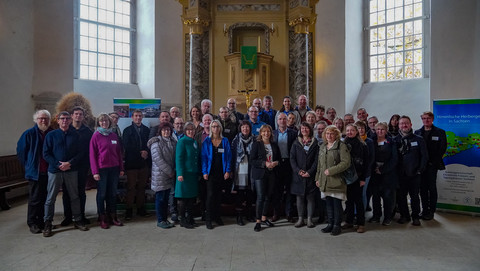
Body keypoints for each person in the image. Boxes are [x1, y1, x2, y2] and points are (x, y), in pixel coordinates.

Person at [42, 112, 88, 237]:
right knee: (50, 198)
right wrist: (58, 164)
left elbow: (81, 152)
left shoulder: (76, 135)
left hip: (71, 170)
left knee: (74, 196)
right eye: (62, 119)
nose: (65, 121)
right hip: (55, 171)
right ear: (58, 120)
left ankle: (78, 220)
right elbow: (46, 153)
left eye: (67, 119)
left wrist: (70, 163)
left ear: (70, 120)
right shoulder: (51, 135)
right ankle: (47, 223)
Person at [16, 109, 53, 234]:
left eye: (46, 118)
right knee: (34, 199)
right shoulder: (29, 134)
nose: (43, 120)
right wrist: (29, 166)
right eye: (41, 118)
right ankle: (32, 222)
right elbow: (21, 152)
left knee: (45, 198)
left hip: (49, 172)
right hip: (35, 172)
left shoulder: (51, 133)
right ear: (36, 120)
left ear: (49, 120)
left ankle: (41, 220)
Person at [89, 113, 124, 229]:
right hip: (101, 169)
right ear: (99, 123)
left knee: (112, 194)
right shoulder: (96, 136)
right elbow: (92, 155)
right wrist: (95, 172)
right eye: (102, 121)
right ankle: (102, 217)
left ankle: (112, 216)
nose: (104, 123)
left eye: (106, 121)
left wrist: (121, 168)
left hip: (114, 168)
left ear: (110, 122)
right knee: (102, 194)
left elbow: (119, 153)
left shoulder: (113, 135)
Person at [315, 125, 351, 236]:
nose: (329, 135)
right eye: (327, 133)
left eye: (331, 133)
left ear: (336, 135)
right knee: (328, 203)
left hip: (336, 180)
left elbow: (346, 163)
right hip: (324, 180)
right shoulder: (323, 146)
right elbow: (319, 165)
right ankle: (330, 223)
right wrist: (317, 178)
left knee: (336, 203)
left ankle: (337, 225)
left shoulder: (341, 146)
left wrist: (331, 170)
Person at [394, 116, 428, 226]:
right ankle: (405, 216)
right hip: (400, 174)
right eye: (402, 123)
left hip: (415, 174)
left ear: (411, 124)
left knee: (414, 196)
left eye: (406, 123)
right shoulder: (395, 140)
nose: (404, 125)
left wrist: (420, 170)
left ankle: (415, 216)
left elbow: (424, 156)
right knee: (401, 197)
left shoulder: (419, 139)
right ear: (398, 126)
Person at [61, 106, 93, 226]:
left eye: (80, 114)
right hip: (68, 166)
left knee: (80, 191)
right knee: (67, 192)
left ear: (83, 116)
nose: (78, 116)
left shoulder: (88, 132)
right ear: (72, 116)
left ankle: (81, 215)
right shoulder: (66, 129)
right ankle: (68, 216)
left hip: (82, 166)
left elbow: (89, 150)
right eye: (76, 114)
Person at [414, 111, 447, 221]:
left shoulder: (440, 132)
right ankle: (424, 210)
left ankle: (431, 211)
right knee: (422, 188)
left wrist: (432, 162)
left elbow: (442, 149)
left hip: (433, 165)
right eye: (423, 118)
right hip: (421, 166)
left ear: (432, 119)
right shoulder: (417, 132)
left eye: (428, 118)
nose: (426, 120)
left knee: (431, 188)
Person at [201, 120, 232, 229]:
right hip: (210, 174)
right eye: (213, 126)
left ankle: (217, 217)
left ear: (220, 128)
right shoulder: (207, 141)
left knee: (218, 196)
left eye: (217, 126)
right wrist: (204, 172)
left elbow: (228, 157)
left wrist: (227, 171)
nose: (215, 128)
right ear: (210, 128)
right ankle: (208, 219)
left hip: (221, 173)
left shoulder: (225, 141)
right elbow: (204, 158)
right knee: (210, 196)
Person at [250, 125, 280, 232]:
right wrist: (264, 163)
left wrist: (276, 163)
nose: (266, 133)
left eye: (268, 131)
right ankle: (258, 221)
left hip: (271, 174)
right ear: (261, 133)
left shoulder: (274, 145)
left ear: (271, 133)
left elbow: (279, 159)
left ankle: (264, 217)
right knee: (261, 196)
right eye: (264, 131)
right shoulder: (256, 144)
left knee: (268, 196)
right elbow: (252, 160)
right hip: (260, 174)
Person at [122, 109, 151, 220]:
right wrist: (140, 153)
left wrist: (146, 152)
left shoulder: (147, 130)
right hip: (132, 164)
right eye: (136, 116)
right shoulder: (127, 130)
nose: (138, 118)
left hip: (144, 164)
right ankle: (128, 210)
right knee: (131, 188)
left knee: (142, 188)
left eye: (140, 116)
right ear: (132, 117)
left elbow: (149, 144)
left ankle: (140, 208)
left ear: (142, 117)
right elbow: (127, 146)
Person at [290, 122, 319, 228]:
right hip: (298, 175)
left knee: (310, 198)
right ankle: (300, 219)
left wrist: (310, 172)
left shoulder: (315, 143)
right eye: (302, 128)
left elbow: (317, 160)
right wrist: (298, 171)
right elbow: (292, 158)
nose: (304, 130)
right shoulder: (296, 143)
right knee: (299, 198)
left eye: (306, 128)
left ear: (310, 130)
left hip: (310, 175)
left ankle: (310, 219)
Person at [148, 122, 177, 229]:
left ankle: (165, 219)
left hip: (169, 176)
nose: (166, 132)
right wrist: (170, 171)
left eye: (168, 130)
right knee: (160, 199)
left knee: (166, 199)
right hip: (160, 176)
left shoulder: (173, 142)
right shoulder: (156, 143)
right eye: (164, 130)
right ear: (160, 131)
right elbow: (158, 160)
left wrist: (173, 171)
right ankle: (160, 220)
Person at [369, 122, 398, 226]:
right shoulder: (372, 141)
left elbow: (395, 159)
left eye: (382, 129)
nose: (379, 131)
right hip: (374, 173)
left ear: (386, 131)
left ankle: (387, 217)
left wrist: (383, 169)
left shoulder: (392, 142)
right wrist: (374, 169)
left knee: (387, 196)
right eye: (378, 129)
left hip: (388, 173)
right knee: (375, 196)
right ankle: (376, 216)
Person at [343, 124, 369, 233]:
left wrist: (363, 178)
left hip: (358, 176)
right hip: (346, 177)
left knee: (358, 201)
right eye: (348, 130)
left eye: (352, 130)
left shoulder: (362, 145)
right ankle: (349, 221)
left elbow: (366, 163)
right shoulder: (343, 144)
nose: (349, 132)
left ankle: (360, 223)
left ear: (356, 132)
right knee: (348, 200)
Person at [272, 112, 297, 222]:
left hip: (289, 164)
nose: (282, 121)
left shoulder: (293, 133)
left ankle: (289, 214)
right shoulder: (272, 134)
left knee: (289, 190)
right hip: (277, 164)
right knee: (277, 191)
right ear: (277, 121)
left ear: (287, 121)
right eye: (280, 119)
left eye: (284, 119)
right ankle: (276, 213)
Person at [175, 122, 201, 229]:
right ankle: (182, 219)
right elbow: (179, 158)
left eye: (193, 129)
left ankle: (190, 218)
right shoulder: (182, 141)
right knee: (183, 199)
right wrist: (180, 173)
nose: (191, 131)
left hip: (192, 174)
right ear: (185, 131)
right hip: (184, 174)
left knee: (191, 198)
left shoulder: (194, 141)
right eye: (189, 129)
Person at [231, 120, 255, 225]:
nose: (245, 129)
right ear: (240, 128)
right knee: (240, 194)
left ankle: (249, 215)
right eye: (243, 127)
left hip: (251, 169)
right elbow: (232, 156)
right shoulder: (236, 140)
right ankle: (239, 216)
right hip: (239, 169)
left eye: (247, 127)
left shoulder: (255, 139)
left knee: (250, 193)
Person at [355, 121, 375, 213]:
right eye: (358, 128)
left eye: (362, 128)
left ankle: (361, 214)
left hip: (365, 173)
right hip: (355, 172)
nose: (361, 130)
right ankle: (355, 213)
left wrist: (365, 170)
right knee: (354, 194)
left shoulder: (369, 141)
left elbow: (371, 158)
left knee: (362, 193)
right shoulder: (353, 140)